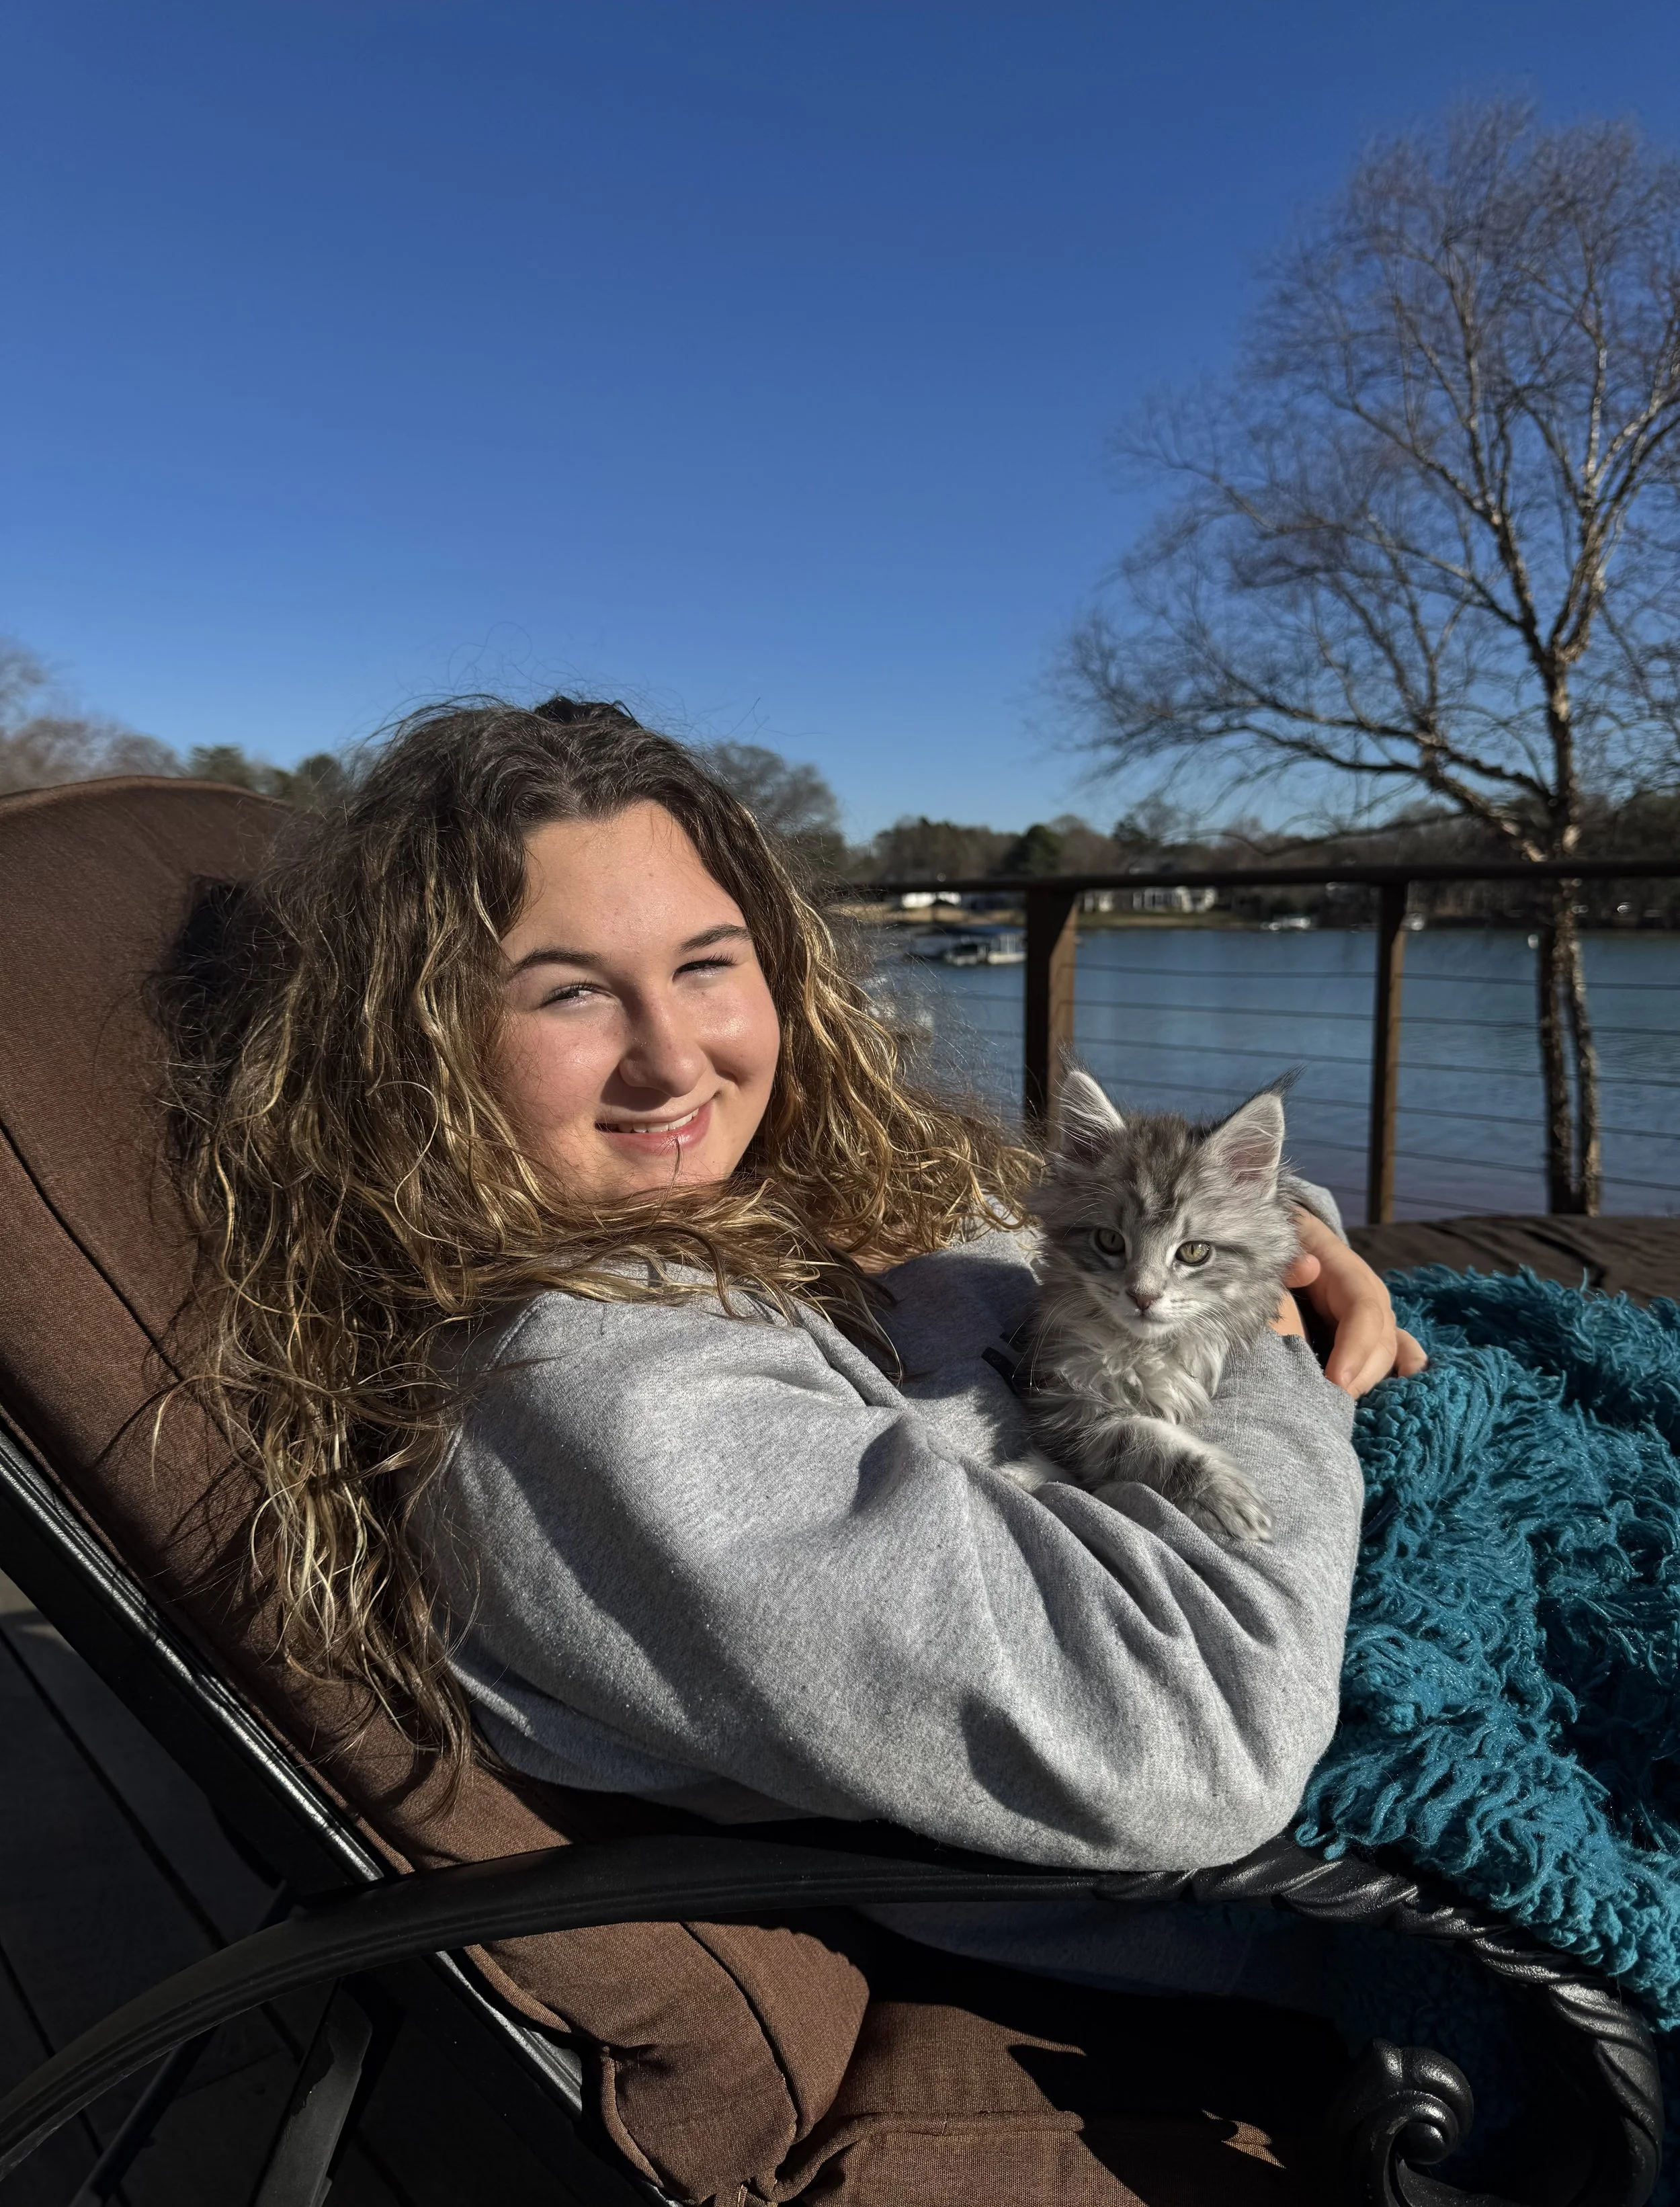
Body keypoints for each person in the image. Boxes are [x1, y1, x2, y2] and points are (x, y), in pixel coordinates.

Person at [163, 696, 1425, 2004]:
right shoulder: (595, 1386)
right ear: (414, 1046)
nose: (672, 1062)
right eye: (570, 993)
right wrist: (1261, 1339)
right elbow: (1197, 1741)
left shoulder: (785, 1197)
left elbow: (1116, 1230)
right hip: (1331, 1919)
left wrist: (1284, 1235)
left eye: (707, 964)